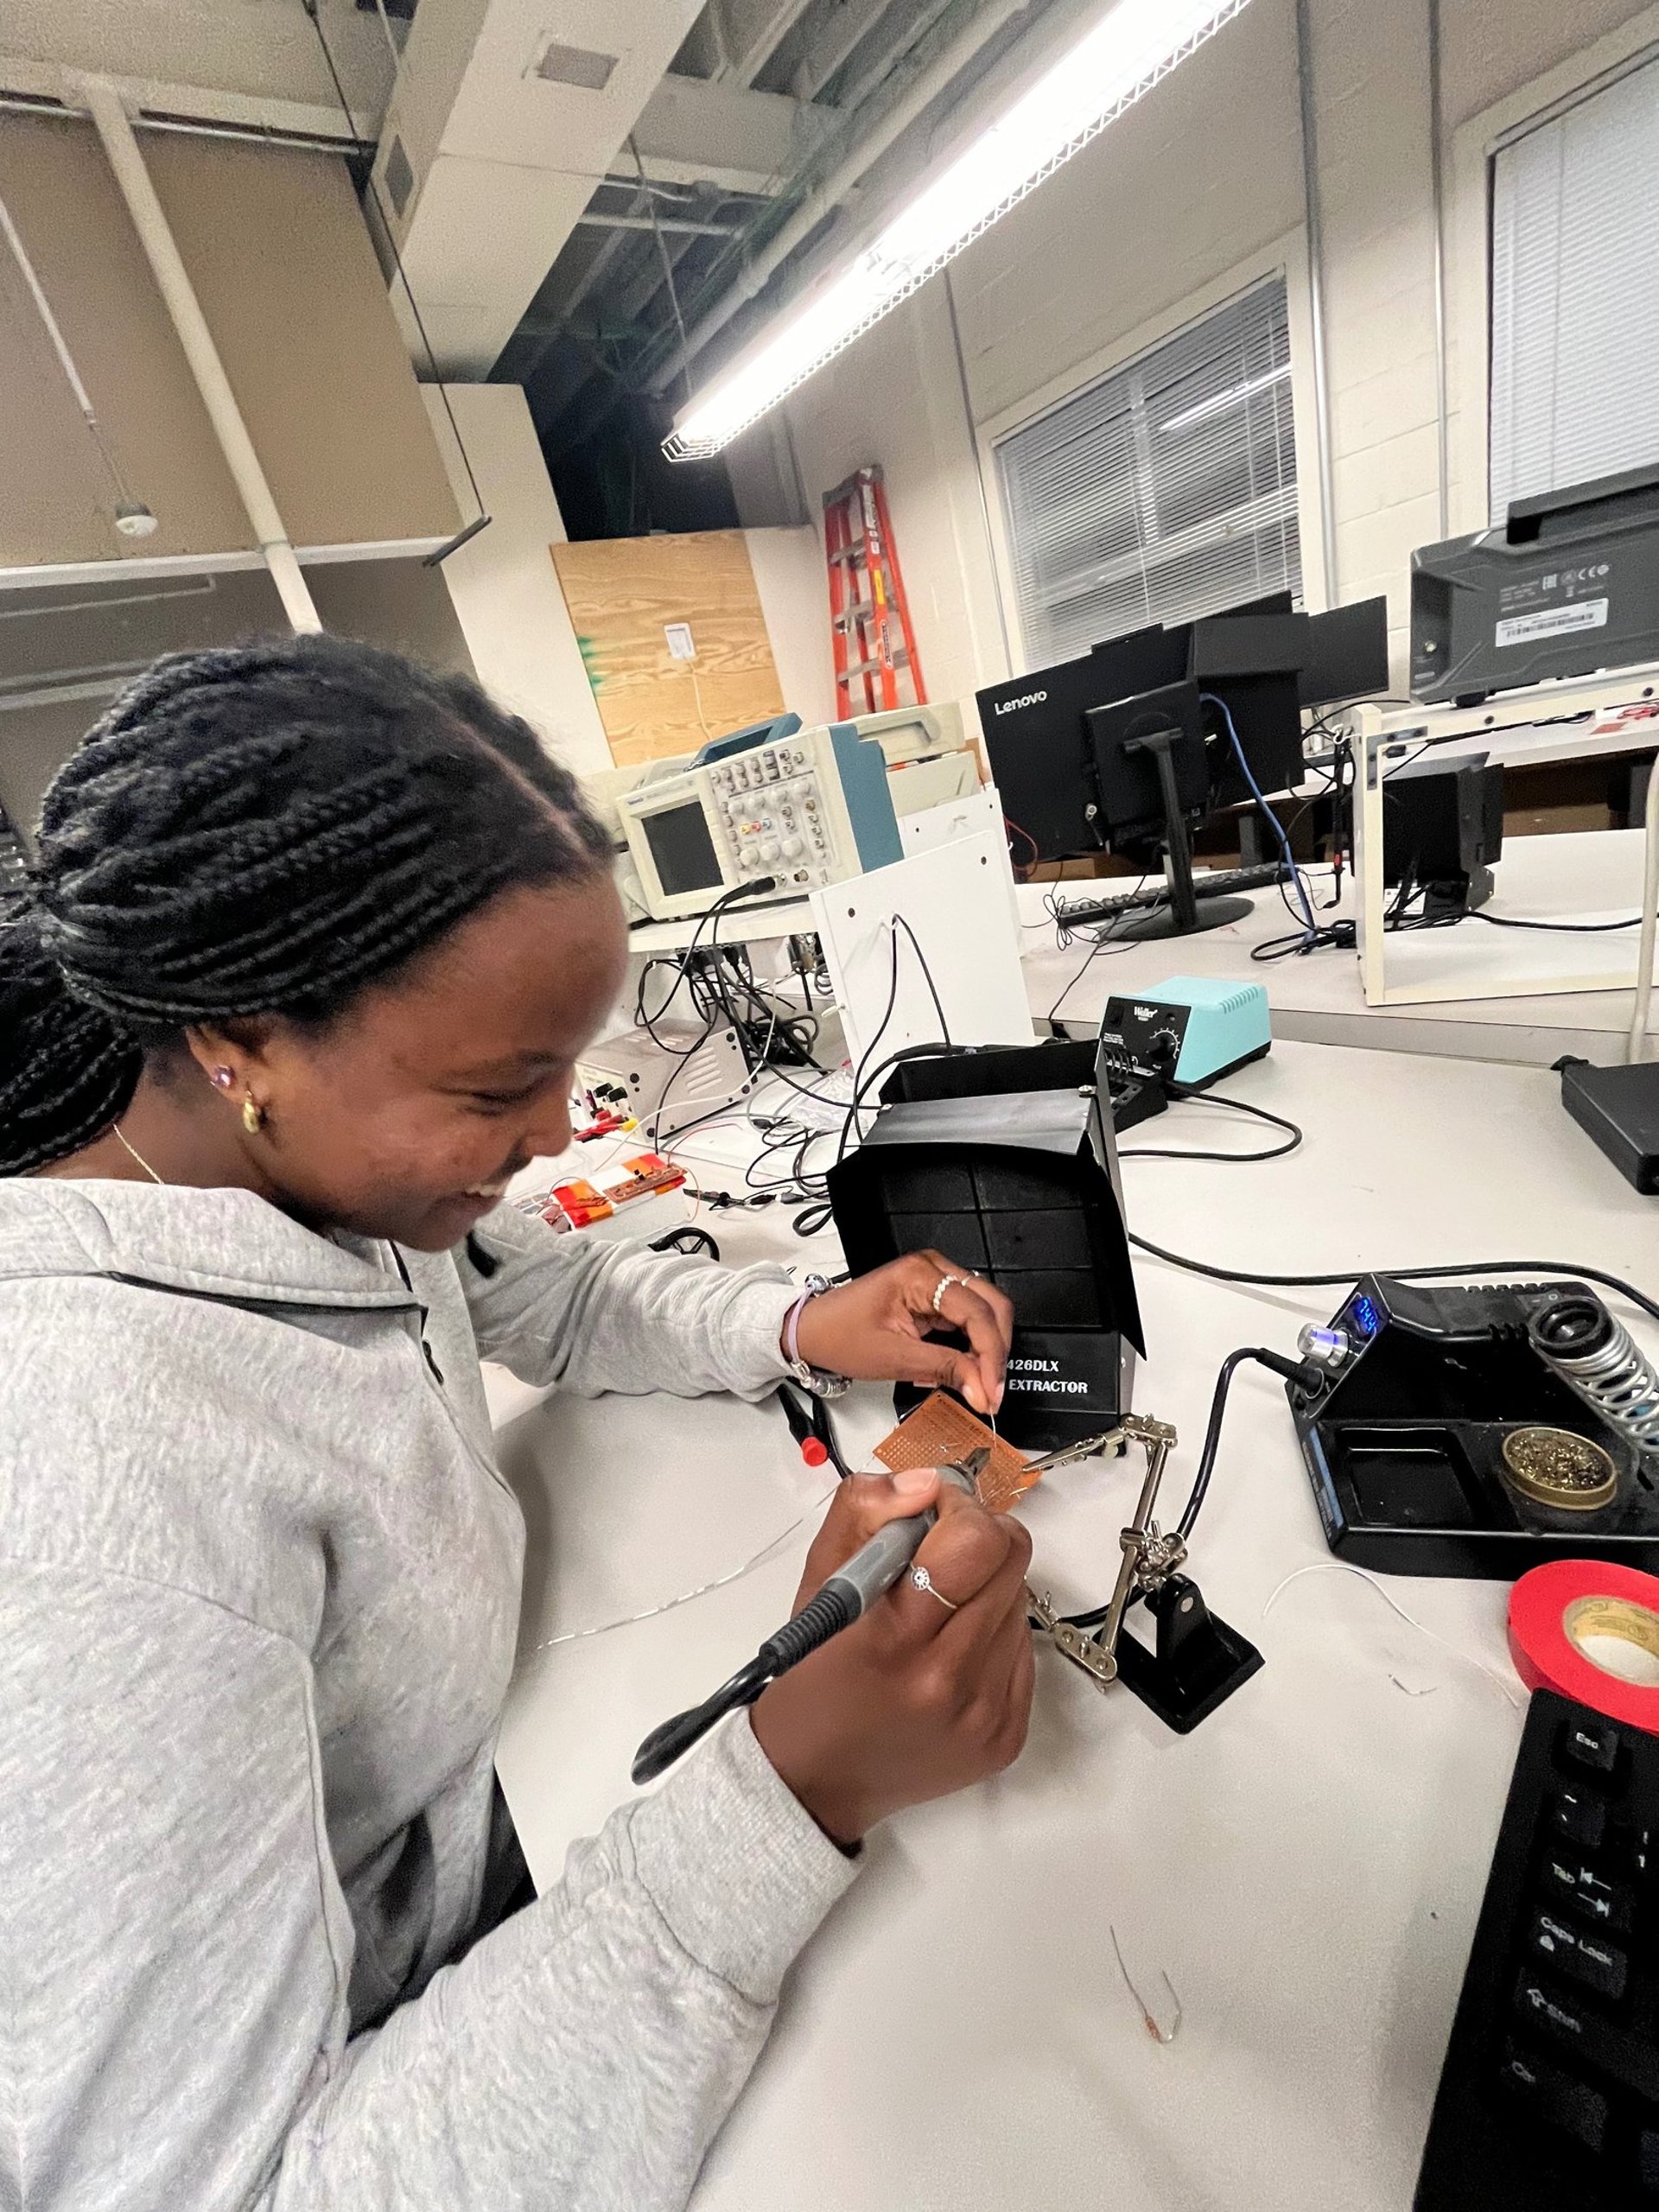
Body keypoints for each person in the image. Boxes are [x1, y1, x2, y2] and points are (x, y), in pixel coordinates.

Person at [0, 636, 1035, 2211]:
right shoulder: (91, 1520)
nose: (559, 1132)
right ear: (244, 1043)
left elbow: (516, 1286)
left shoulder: (304, 1175)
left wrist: (794, 1323)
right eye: (501, 1091)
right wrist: (788, 1786)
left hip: (515, 1803)